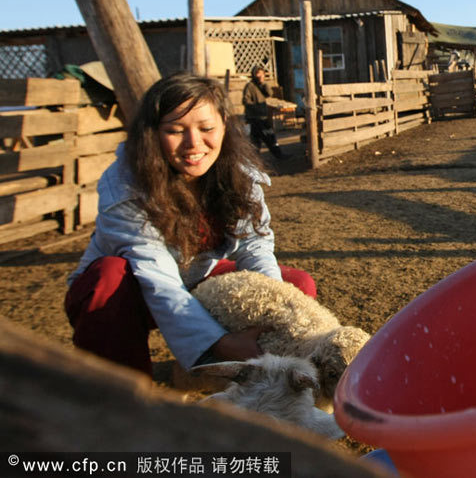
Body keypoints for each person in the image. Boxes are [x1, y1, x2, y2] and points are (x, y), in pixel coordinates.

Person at [65, 73, 316, 377]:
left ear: (224, 123)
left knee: (295, 287)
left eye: (207, 128)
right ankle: (122, 391)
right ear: (152, 133)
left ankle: (253, 380)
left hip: (199, 278)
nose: (193, 144)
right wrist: (221, 342)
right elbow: (157, 276)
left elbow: (254, 245)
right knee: (108, 278)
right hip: (134, 291)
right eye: (174, 130)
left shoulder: (239, 176)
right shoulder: (125, 187)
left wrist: (271, 315)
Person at [242, 64, 284, 159]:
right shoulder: (250, 86)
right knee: (265, 137)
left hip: (262, 117)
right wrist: (256, 108)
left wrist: (263, 83)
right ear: (254, 75)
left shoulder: (261, 85)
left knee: (261, 139)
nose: (260, 76)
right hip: (255, 118)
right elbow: (246, 101)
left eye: (262, 74)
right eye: (258, 74)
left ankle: (277, 156)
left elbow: (270, 93)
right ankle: (278, 156)